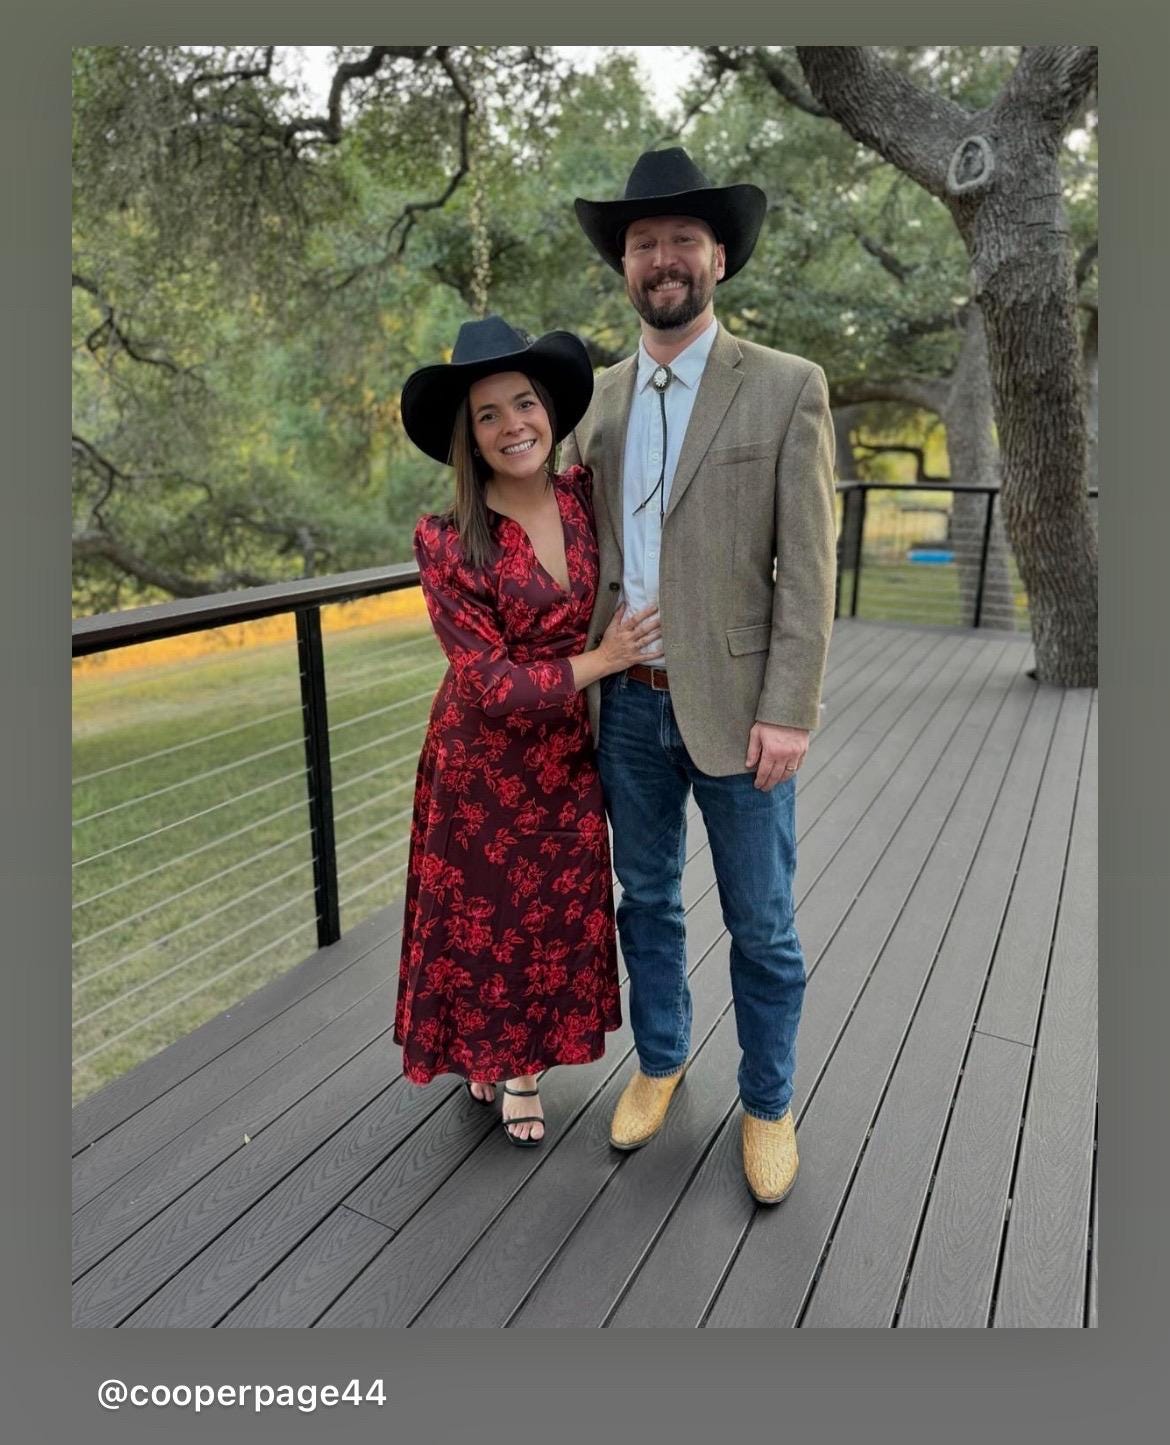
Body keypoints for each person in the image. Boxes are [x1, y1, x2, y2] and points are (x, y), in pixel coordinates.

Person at [563, 147, 837, 1203]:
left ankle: (768, 1101)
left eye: (683, 239)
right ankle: (663, 1059)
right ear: (624, 266)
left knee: (762, 921)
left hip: (740, 713)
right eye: (644, 244)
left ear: (719, 256)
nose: (663, 258)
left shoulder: (785, 388)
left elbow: (808, 571)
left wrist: (790, 710)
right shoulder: (594, 401)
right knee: (646, 901)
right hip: (627, 712)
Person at [394, 315, 663, 1147]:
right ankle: (505, 1065)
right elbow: (491, 681)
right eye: (488, 414)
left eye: (524, 404)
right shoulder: (446, 540)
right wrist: (608, 658)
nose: (513, 425)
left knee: (548, 915)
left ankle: (519, 1055)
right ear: (469, 439)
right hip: (482, 765)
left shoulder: (585, 497)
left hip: (568, 753)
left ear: (549, 410)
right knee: (484, 914)